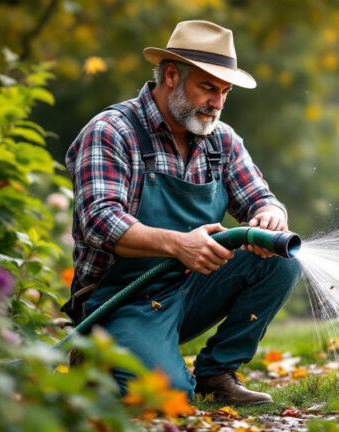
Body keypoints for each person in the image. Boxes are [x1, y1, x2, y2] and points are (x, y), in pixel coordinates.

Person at [63, 20, 302, 405]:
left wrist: (270, 213)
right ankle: (96, 357)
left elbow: (259, 196)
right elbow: (99, 221)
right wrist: (179, 245)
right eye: (208, 87)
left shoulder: (221, 139)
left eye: (225, 92)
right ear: (171, 75)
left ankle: (217, 374)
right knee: (168, 398)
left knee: (280, 260)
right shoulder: (111, 131)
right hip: (122, 299)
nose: (218, 103)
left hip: (191, 288)